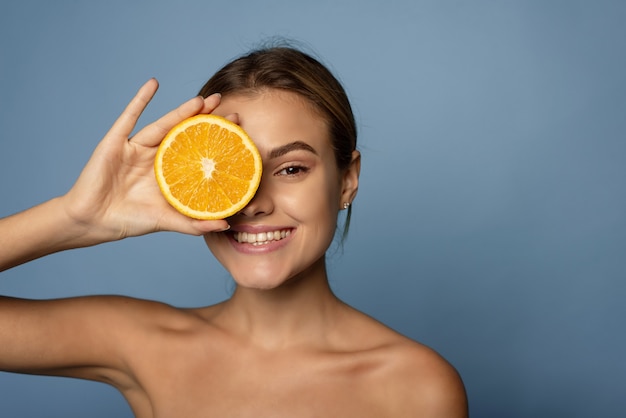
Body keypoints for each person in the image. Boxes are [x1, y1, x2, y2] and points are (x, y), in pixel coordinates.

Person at [0, 46, 468, 417]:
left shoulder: (416, 386)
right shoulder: (144, 345)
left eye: (290, 169)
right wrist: (76, 217)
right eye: (228, 171)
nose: (255, 202)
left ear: (347, 179)